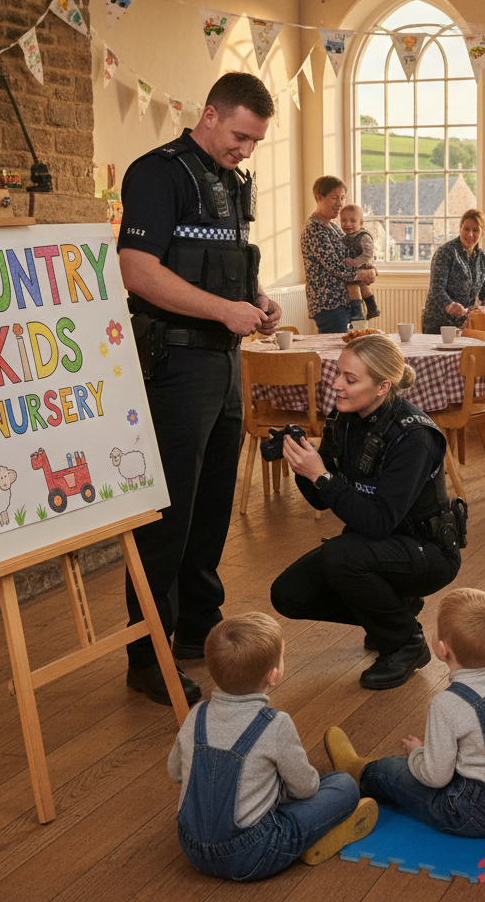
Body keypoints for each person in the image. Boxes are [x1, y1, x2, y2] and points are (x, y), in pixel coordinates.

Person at [118, 72, 281, 705]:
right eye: (240, 135)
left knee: (211, 503)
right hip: (176, 366)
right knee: (168, 513)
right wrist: (221, 309)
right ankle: (146, 653)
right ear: (209, 115)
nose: (247, 149)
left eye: (255, 141)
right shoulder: (157, 173)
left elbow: (233, 261)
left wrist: (254, 300)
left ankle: (195, 625)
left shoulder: (234, 181)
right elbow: (136, 269)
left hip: (224, 361)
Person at [270, 335, 463, 690]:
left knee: (341, 556)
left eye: (350, 379)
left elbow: (378, 521)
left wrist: (321, 474)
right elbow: (320, 499)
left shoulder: (414, 436)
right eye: (339, 374)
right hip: (378, 545)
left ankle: (406, 643)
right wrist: (300, 462)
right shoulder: (344, 419)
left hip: (428, 552)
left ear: (382, 387)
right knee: (288, 594)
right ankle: (393, 613)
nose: (337, 385)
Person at [169, 613, 377, 879]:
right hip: (252, 853)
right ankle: (315, 838)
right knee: (343, 785)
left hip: (192, 848)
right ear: (273, 675)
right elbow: (306, 788)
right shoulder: (275, 724)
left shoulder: (196, 715)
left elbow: (175, 772)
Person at [323, 588, 485, 838]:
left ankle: (357, 773)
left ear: (442, 648)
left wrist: (418, 754)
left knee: (392, 768)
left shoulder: (446, 704)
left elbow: (436, 777)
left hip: (476, 813)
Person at [302, 177, 377, 333]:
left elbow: (349, 256)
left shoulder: (334, 227)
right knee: (337, 354)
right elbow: (335, 266)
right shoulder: (315, 229)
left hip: (345, 303)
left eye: (342, 198)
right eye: (334, 198)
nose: (340, 203)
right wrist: (362, 274)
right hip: (330, 306)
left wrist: (369, 267)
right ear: (319, 198)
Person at [422, 209, 485, 334]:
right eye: (466, 229)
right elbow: (437, 289)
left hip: (467, 325)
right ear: (460, 228)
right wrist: (450, 305)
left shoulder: (484, 258)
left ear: (482, 233)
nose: (470, 235)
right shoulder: (445, 252)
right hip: (438, 324)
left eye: (475, 230)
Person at [340, 203, 380, 321]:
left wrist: (355, 262)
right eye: (344, 220)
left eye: (353, 221)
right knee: (362, 287)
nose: (348, 224)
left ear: (361, 223)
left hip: (360, 266)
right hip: (356, 266)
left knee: (352, 286)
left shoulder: (363, 236)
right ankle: (372, 308)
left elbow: (368, 253)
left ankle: (357, 313)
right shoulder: (346, 236)